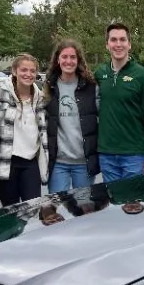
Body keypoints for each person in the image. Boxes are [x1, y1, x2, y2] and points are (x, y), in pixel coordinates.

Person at [95, 23, 144, 182]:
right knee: (113, 204)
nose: (118, 44)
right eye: (113, 40)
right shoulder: (100, 74)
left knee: (134, 204)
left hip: (135, 157)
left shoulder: (142, 76)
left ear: (129, 44)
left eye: (122, 40)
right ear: (107, 44)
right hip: (107, 156)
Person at [0, 54, 49, 206]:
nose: (28, 74)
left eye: (32, 71)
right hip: (5, 161)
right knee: (11, 210)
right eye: (24, 70)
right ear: (14, 71)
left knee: (32, 209)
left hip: (30, 161)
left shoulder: (40, 99)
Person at [44, 39, 100, 193]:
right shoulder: (49, 87)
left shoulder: (91, 87)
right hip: (58, 163)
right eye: (64, 57)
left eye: (73, 57)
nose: (68, 61)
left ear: (79, 60)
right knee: (56, 210)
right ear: (57, 60)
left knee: (83, 210)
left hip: (84, 162)